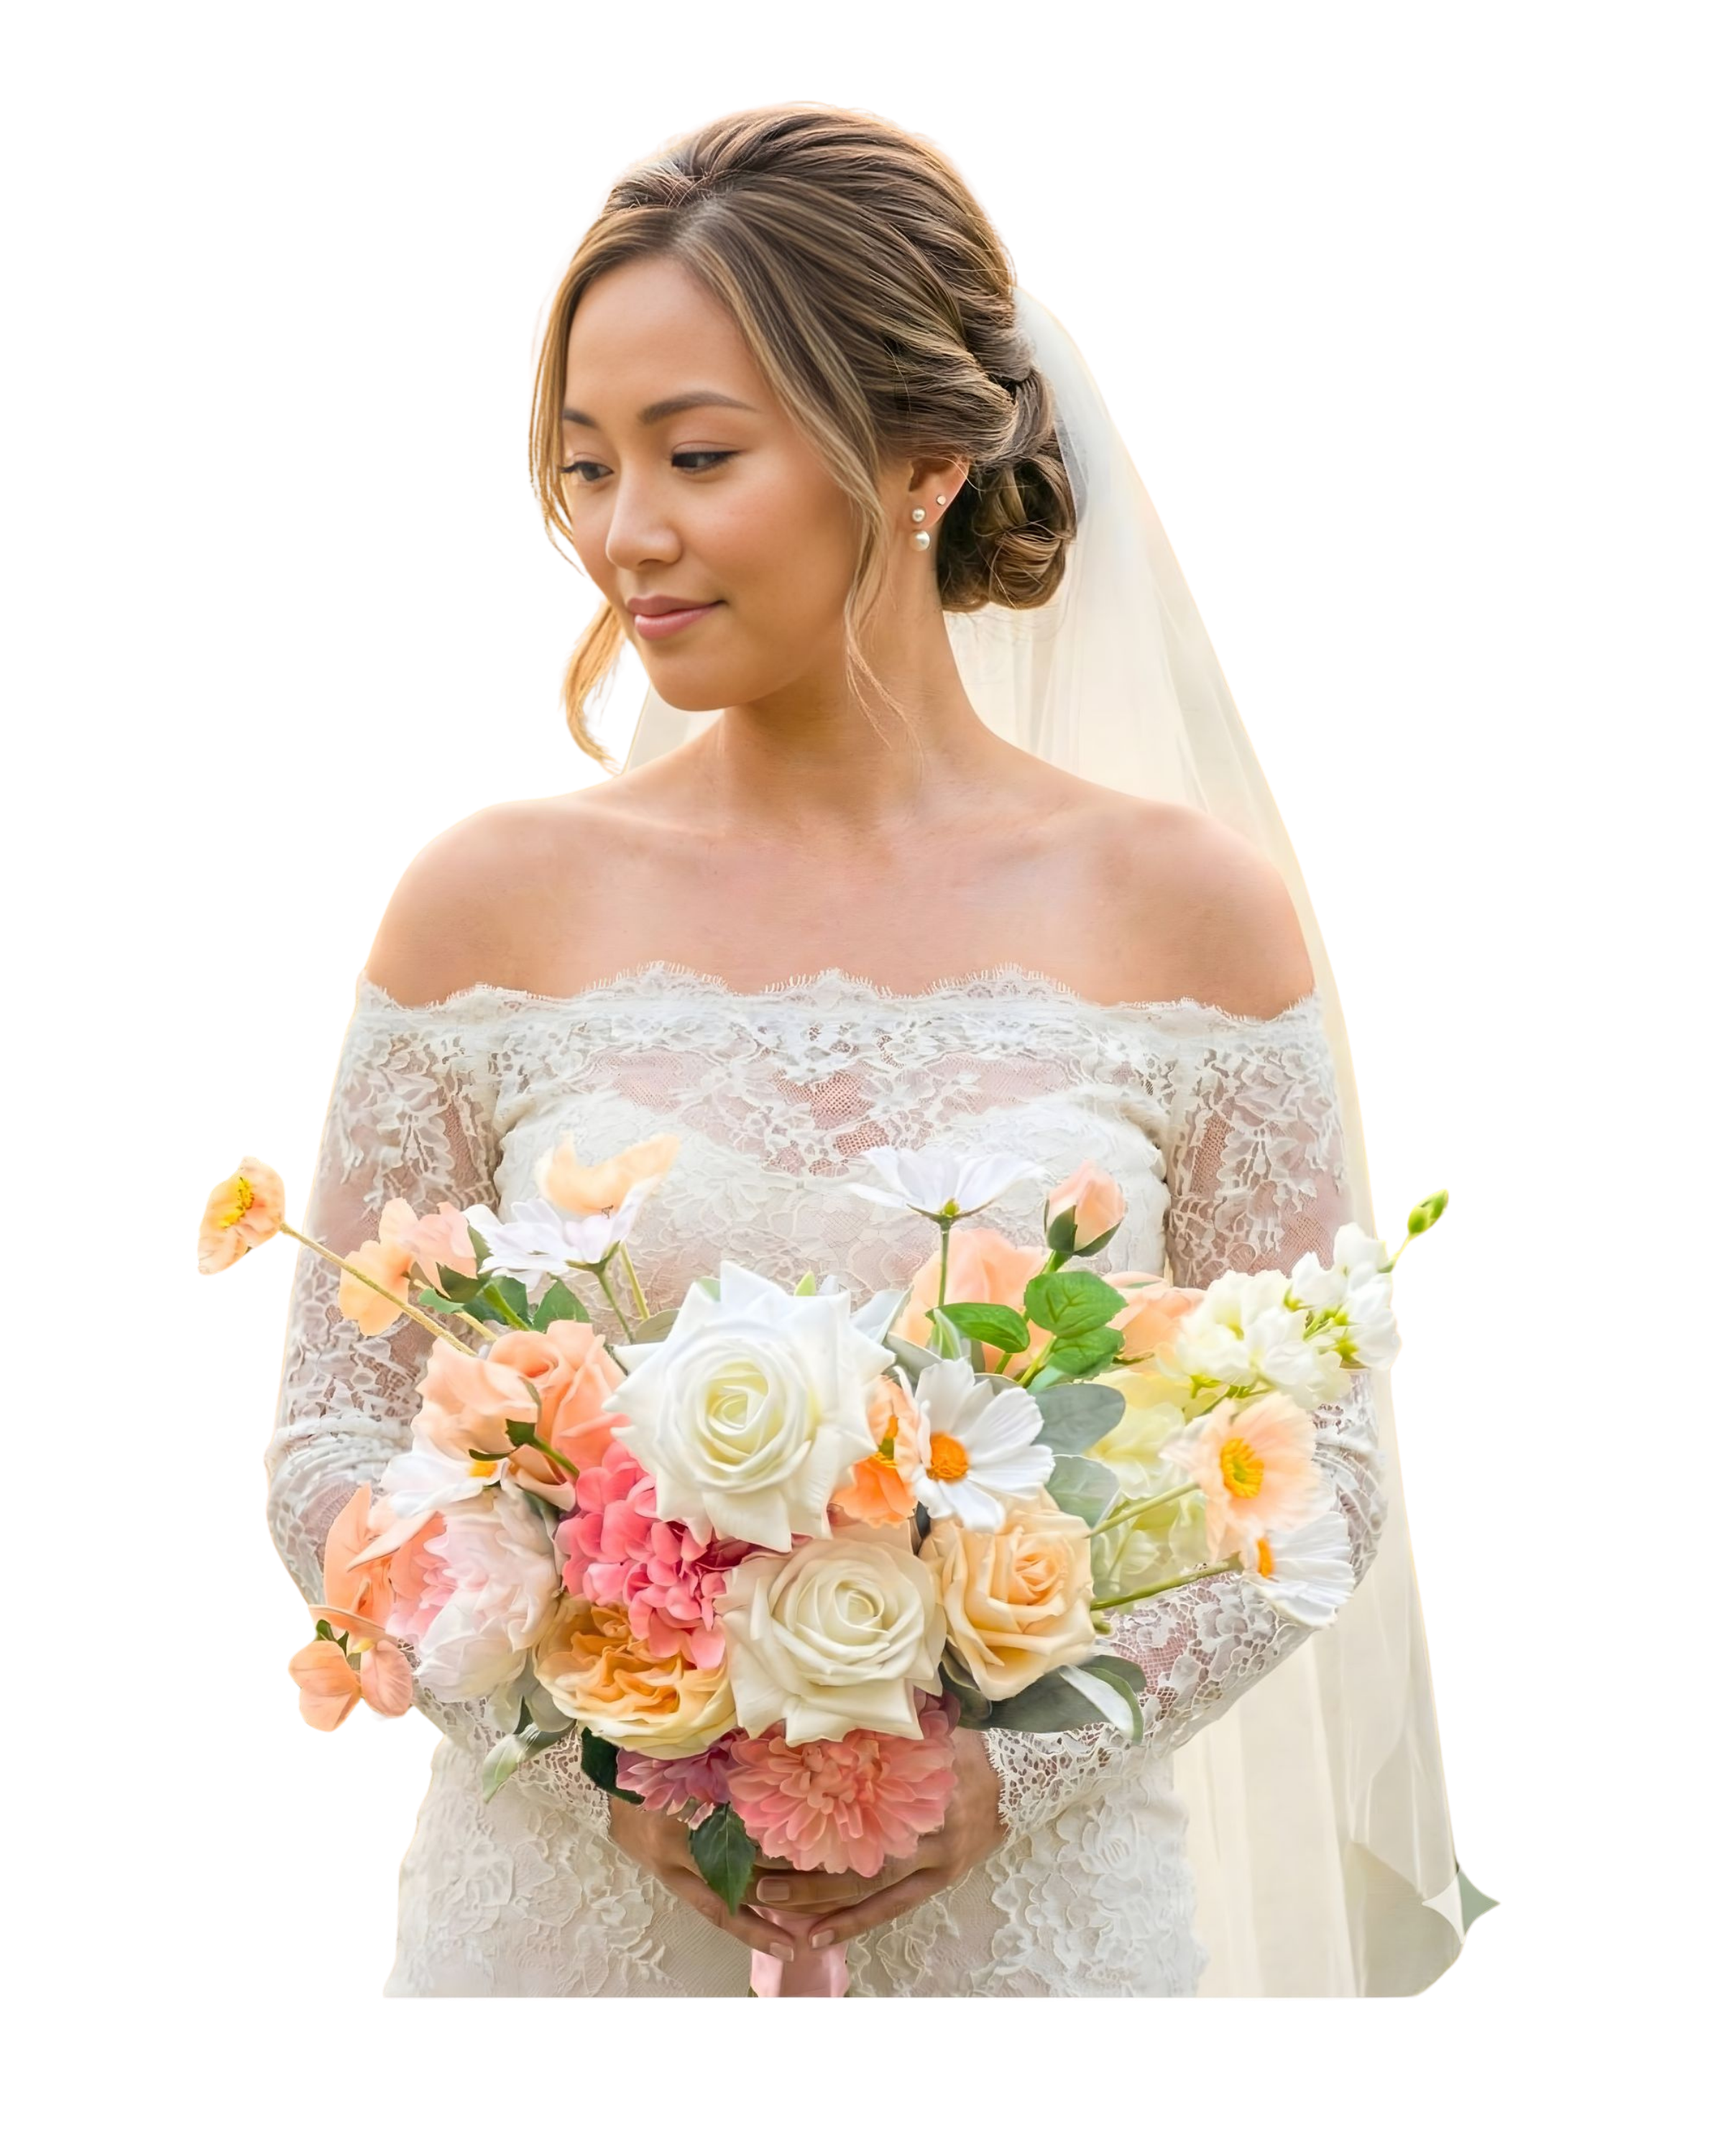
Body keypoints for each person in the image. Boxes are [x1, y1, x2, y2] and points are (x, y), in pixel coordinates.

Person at [262, 99, 1460, 2000]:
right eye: (586, 462)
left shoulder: (1193, 919)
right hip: (562, 1928)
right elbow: (333, 1431)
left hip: (1031, 1927)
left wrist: (1006, 1773)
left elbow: (1318, 1468)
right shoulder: (481, 903)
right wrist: (588, 1752)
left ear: (914, 459)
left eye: (697, 455)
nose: (618, 532)